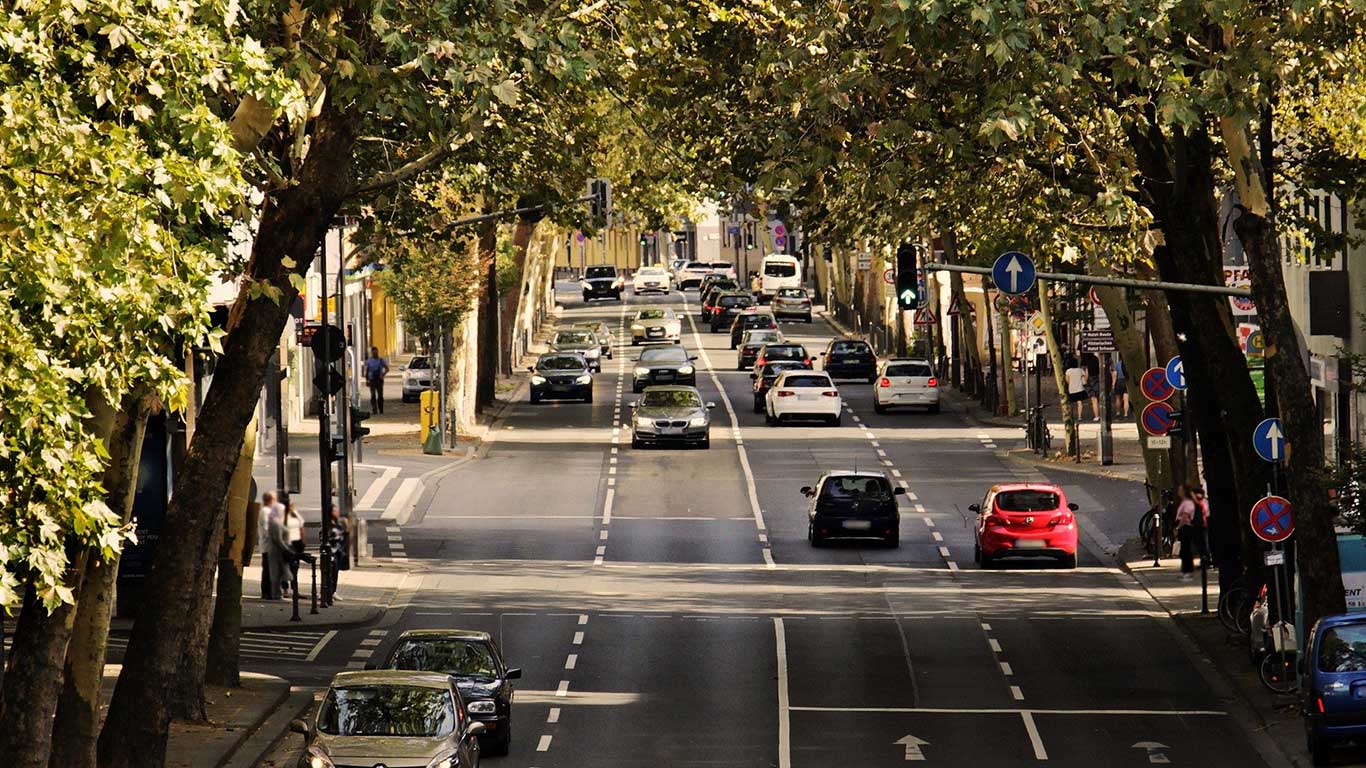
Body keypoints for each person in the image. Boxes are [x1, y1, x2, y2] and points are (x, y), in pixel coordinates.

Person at [1174, 485, 1210, 581]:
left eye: (1180, 490)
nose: (1179, 492)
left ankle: (1187, 572)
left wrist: (1178, 527)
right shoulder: (1187, 502)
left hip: (1186, 528)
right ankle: (1185, 571)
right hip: (1186, 528)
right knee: (1185, 550)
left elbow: (1185, 516)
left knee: (1186, 550)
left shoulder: (1187, 503)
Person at [322, 504, 351, 602]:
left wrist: (346, 527)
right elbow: (325, 538)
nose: (337, 512)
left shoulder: (338, 523)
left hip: (338, 551)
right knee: (330, 572)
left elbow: (344, 536)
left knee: (335, 573)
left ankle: (333, 591)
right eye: (335, 511)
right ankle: (326, 593)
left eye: (337, 510)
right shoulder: (327, 524)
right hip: (331, 552)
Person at [265, 500, 293, 599]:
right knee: (276, 573)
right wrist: (287, 549)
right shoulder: (275, 523)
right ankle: (275, 594)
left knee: (281, 573)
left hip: (280, 551)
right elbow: (278, 539)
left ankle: (278, 593)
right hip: (276, 551)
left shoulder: (278, 522)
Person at [257, 491, 283, 598]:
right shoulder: (266, 511)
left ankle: (271, 592)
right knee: (269, 570)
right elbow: (269, 529)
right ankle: (269, 593)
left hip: (270, 546)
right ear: (270, 500)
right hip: (269, 546)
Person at [283, 502, 306, 597]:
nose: (292, 507)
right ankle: (285, 589)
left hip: (296, 543)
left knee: (295, 567)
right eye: (290, 505)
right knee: (286, 566)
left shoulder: (295, 514)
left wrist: (303, 541)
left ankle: (294, 589)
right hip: (287, 543)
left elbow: (301, 527)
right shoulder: (282, 516)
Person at [365, 346, 389, 414]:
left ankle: (381, 409)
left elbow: (387, 368)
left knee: (380, 395)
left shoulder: (381, 360)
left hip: (379, 379)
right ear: (372, 353)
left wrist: (382, 375)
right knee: (373, 395)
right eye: (373, 352)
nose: (375, 353)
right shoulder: (369, 361)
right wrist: (367, 380)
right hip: (372, 379)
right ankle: (374, 409)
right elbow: (367, 371)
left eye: (376, 352)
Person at [1063, 356, 1088, 422]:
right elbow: (1084, 379)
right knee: (1079, 403)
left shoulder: (1068, 371)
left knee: (1071, 403)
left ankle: (1070, 415)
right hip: (1080, 389)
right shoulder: (1080, 370)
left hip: (1071, 389)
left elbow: (1067, 380)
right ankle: (1079, 416)